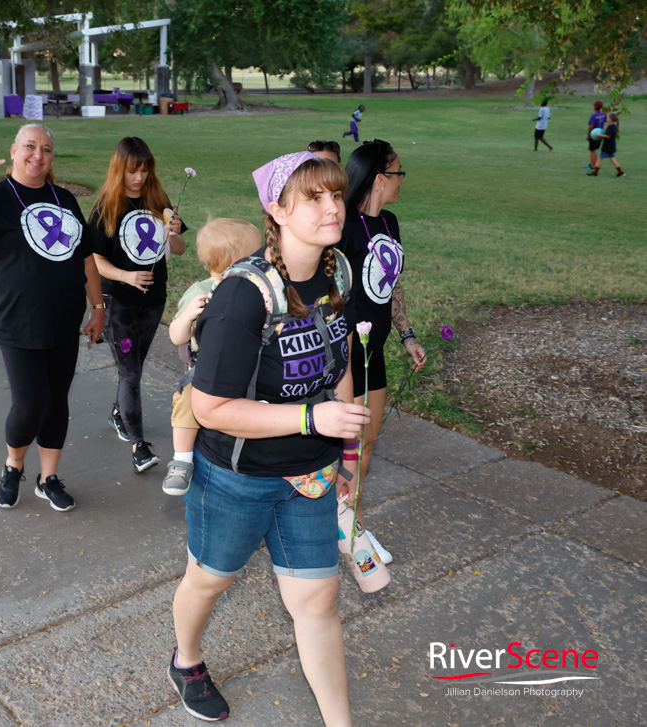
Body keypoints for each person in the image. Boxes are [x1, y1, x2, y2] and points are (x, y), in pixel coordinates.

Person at [168, 151, 367, 724]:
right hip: (237, 477)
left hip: (312, 475)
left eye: (336, 194)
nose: (333, 207)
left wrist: (346, 453)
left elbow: (339, 360)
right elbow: (209, 408)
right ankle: (187, 660)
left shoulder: (336, 272)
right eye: (314, 198)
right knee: (209, 580)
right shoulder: (243, 296)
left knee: (318, 602)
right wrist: (312, 419)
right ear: (276, 211)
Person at [0, 124, 106, 513]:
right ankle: (13, 465)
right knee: (30, 405)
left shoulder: (64, 199)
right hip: (16, 318)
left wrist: (98, 308)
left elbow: (84, 257)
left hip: (64, 318)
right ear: (13, 151)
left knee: (56, 401)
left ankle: (48, 478)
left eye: (46, 149)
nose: (38, 156)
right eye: (30, 147)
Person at [337, 139, 426, 564]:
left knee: (367, 442)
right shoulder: (343, 227)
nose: (402, 180)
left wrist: (407, 335)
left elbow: (392, 284)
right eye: (398, 173)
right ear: (378, 177)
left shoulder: (389, 222)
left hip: (378, 349)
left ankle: (351, 524)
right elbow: (333, 291)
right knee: (346, 444)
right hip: (347, 349)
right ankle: (343, 530)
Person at [90, 136, 187, 473]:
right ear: (120, 170)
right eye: (133, 171)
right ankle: (139, 446)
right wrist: (125, 276)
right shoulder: (106, 207)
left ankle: (119, 414)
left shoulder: (157, 200)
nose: (139, 178)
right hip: (118, 302)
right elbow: (93, 259)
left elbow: (180, 249)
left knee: (133, 367)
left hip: (153, 300)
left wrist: (174, 233)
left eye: (145, 171)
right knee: (130, 374)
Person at [162, 217, 261, 496]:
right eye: (256, 253)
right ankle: (181, 461)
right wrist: (189, 315)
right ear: (237, 260)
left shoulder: (257, 288)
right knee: (186, 402)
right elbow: (176, 336)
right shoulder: (200, 292)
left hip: (243, 367)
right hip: (203, 370)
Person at [589, 112, 625, 177]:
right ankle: (621, 173)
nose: (607, 118)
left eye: (608, 117)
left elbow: (608, 136)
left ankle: (595, 173)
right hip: (612, 146)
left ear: (610, 119)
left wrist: (599, 135)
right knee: (613, 159)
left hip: (607, 147)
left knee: (600, 158)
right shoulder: (614, 126)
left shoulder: (610, 127)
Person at [586, 100, 607, 171]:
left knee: (593, 150)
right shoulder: (603, 114)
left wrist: (588, 135)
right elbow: (605, 121)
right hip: (600, 134)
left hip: (594, 135)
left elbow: (590, 127)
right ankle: (591, 163)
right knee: (595, 149)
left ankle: (593, 165)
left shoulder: (594, 115)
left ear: (595, 107)